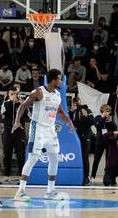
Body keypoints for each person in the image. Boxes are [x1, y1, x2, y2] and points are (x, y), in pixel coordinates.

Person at [11, 69, 74, 202]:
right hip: (37, 128)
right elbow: (23, 106)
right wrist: (17, 121)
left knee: (54, 158)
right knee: (33, 158)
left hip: (50, 130)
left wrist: (69, 122)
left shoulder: (57, 95)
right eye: (59, 79)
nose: (61, 82)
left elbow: (60, 112)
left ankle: (50, 191)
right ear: (53, 80)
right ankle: (20, 191)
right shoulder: (38, 92)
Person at [0, 87, 28, 183]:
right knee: (7, 154)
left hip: (19, 132)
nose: (12, 95)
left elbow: (27, 115)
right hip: (8, 132)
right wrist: (10, 103)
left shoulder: (22, 103)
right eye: (11, 94)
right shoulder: (6, 103)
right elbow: (3, 115)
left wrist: (21, 104)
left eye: (14, 94)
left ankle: (21, 175)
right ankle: (7, 175)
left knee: (20, 154)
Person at [69, 97, 95, 186]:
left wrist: (86, 115)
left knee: (85, 157)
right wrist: (71, 112)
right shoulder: (72, 111)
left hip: (85, 137)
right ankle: (75, 176)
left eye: (78, 103)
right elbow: (67, 122)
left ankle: (86, 177)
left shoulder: (87, 110)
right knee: (74, 157)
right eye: (75, 103)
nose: (77, 105)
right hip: (75, 138)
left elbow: (93, 122)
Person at [91, 104, 117, 182]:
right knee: (96, 159)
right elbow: (98, 126)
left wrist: (110, 121)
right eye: (106, 111)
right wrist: (103, 118)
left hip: (109, 141)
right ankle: (93, 176)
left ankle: (107, 176)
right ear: (102, 111)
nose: (107, 113)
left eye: (108, 111)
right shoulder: (98, 118)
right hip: (100, 141)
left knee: (108, 160)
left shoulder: (110, 119)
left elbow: (114, 128)